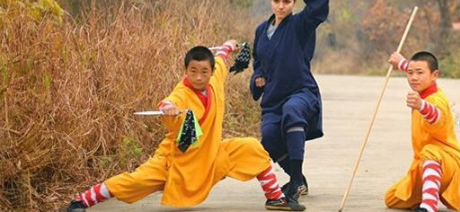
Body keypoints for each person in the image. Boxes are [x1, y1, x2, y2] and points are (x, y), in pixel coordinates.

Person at [62, 41, 304, 212]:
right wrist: (168, 107)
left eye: (203, 72)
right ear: (185, 70)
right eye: (193, 71)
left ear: (210, 72)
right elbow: (170, 102)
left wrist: (229, 45)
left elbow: (220, 58)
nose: (198, 77)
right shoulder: (182, 93)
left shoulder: (215, 78)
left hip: (210, 156)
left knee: (251, 148)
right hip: (176, 161)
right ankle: (82, 201)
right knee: (134, 181)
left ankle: (275, 198)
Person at [250, 0, 329, 202]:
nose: (281, 6)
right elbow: (258, 63)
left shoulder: (300, 24)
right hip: (273, 96)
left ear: (294, 3)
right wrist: (258, 79)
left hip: (300, 91)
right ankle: (298, 176)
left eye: (287, 1)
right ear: (270, 0)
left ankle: (294, 183)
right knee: (270, 136)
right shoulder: (261, 30)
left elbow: (320, 2)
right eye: (277, 1)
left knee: (293, 111)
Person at [384, 51, 460, 212]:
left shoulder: (436, 99)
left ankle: (429, 206)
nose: (414, 77)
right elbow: (416, 69)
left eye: (420, 73)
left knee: (430, 151)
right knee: (392, 198)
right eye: (410, 73)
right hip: (422, 163)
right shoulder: (422, 90)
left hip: (448, 162)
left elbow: (436, 117)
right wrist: (401, 62)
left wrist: (421, 106)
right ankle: (428, 192)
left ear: (434, 75)